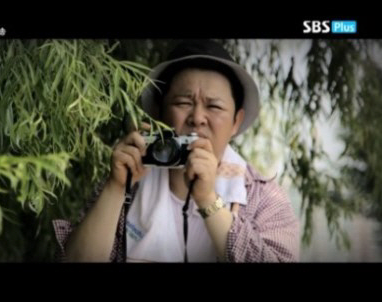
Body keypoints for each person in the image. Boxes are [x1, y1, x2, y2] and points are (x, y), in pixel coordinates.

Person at [53, 40, 300, 262]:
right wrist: (116, 187)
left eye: (214, 106)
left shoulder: (263, 197)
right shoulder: (131, 175)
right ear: (159, 114)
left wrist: (207, 200)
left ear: (236, 121)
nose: (198, 118)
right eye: (183, 103)